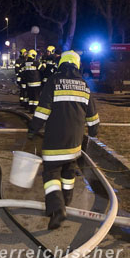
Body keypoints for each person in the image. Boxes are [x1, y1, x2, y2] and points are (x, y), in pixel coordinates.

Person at [28, 50, 99, 229]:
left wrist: (32, 129)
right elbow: (93, 117)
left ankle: (58, 209)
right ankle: (66, 202)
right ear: (77, 65)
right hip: (74, 144)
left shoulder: (53, 81)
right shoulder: (84, 85)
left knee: (51, 174)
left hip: (54, 142)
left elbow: (43, 111)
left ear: (62, 63)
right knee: (69, 172)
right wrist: (93, 132)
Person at [22, 49, 45, 114]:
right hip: (36, 83)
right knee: (36, 98)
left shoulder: (25, 63)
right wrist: (44, 64)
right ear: (33, 55)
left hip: (29, 83)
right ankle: (35, 110)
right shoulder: (36, 63)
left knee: (30, 97)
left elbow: (23, 72)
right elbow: (42, 69)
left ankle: (31, 109)